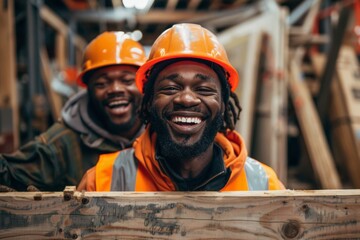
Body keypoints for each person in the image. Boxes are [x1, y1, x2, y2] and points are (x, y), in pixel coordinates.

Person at [78, 23, 285, 191]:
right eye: (170, 88)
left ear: (223, 104)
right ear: (149, 102)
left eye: (204, 89)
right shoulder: (101, 181)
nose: (186, 99)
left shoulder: (264, 184)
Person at [0, 31, 147, 191]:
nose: (116, 89)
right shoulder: (61, 144)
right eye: (102, 83)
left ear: (143, 84)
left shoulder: (159, 135)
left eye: (127, 80)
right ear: (87, 89)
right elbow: (7, 173)